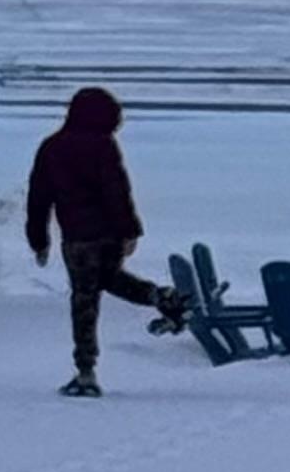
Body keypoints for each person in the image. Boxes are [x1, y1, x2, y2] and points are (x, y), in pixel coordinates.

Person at [26, 86, 186, 397]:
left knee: (85, 299)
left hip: (78, 238)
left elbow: (39, 197)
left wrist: (38, 238)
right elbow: (117, 191)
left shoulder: (52, 147)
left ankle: (85, 371)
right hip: (108, 234)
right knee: (109, 280)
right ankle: (161, 297)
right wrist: (128, 230)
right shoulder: (103, 146)